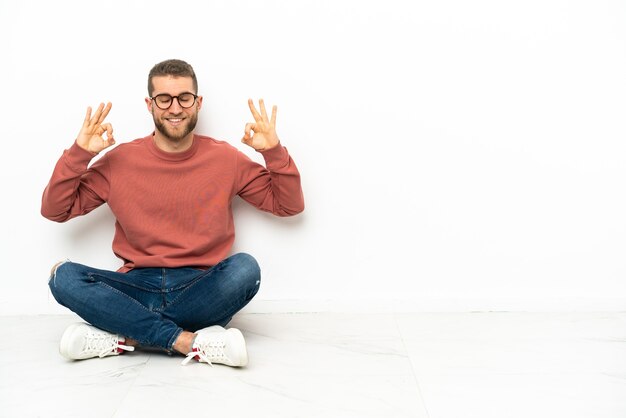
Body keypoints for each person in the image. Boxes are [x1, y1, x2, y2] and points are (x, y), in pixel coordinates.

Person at [41, 59, 304, 367]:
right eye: (164, 99)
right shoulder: (119, 161)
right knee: (63, 276)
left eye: (184, 98)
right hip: (136, 286)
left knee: (246, 269)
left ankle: (127, 335)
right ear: (150, 104)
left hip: (200, 288)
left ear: (198, 103)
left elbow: (289, 205)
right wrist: (80, 154)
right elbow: (55, 210)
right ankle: (186, 341)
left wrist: (272, 151)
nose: (175, 108)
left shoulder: (225, 158)